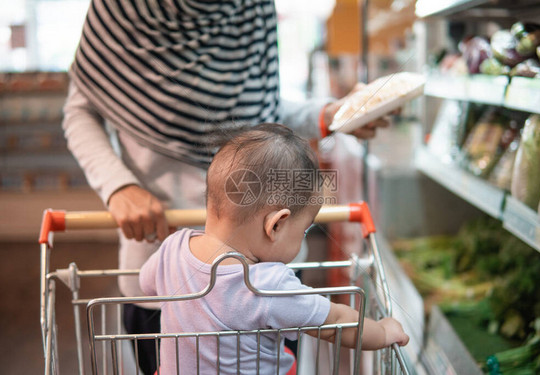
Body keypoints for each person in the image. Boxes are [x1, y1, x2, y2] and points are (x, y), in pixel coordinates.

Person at [62, 1, 389, 373]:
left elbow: (251, 110)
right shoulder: (124, 9)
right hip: (171, 268)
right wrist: (118, 186)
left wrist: (328, 115)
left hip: (242, 264)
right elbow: (81, 108)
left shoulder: (251, 8)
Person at [139, 124, 409, 374]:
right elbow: (337, 322)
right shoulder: (266, 285)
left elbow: (147, 284)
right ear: (276, 225)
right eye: (304, 230)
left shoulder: (173, 248)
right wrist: (383, 332)